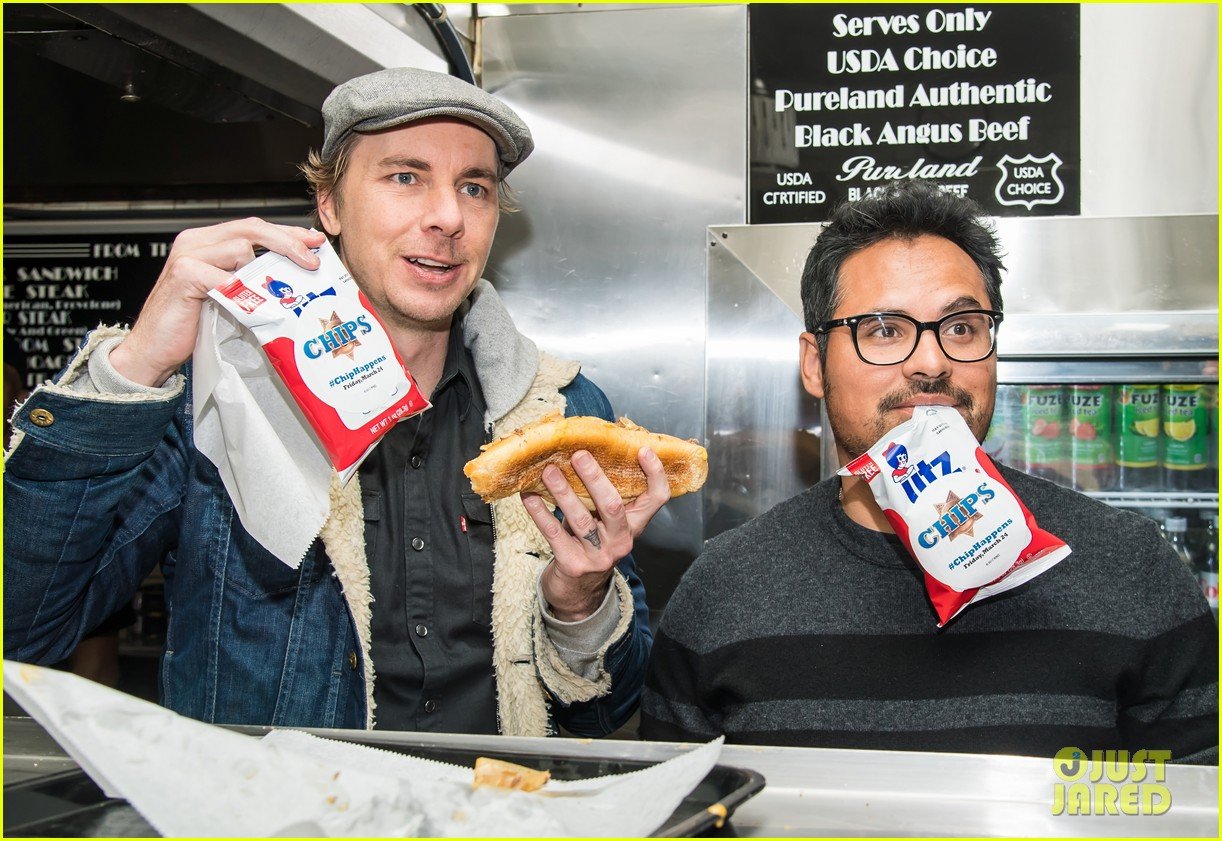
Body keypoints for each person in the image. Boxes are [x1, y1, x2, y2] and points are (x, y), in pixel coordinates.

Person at [5, 67, 666, 737]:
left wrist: (577, 605)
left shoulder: (558, 413)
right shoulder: (219, 401)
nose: (448, 216)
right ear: (329, 205)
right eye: (405, 177)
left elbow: (611, 706)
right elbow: (22, 626)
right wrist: (137, 367)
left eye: (475, 187)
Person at [641, 180, 1218, 763]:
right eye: (885, 330)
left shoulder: (1130, 568)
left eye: (962, 327)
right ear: (815, 366)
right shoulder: (724, 589)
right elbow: (673, 811)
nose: (932, 362)